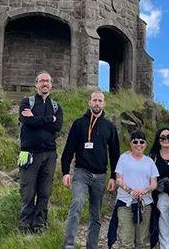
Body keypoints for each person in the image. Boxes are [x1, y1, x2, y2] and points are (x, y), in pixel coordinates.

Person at [60, 90, 120, 249]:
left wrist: (114, 176)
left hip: (100, 176)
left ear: (104, 104)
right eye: (94, 100)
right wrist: (66, 172)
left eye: (100, 101)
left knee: (96, 215)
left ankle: (91, 246)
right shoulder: (79, 123)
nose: (97, 103)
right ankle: (69, 244)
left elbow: (115, 154)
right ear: (89, 102)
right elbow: (68, 150)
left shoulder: (110, 127)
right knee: (77, 203)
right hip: (81, 173)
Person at [17, 71, 63, 233]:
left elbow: (58, 127)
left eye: (48, 81)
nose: (45, 84)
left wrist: (37, 119)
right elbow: (27, 121)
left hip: (49, 155)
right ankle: (24, 225)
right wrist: (49, 119)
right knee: (27, 191)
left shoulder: (56, 106)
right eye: (42, 81)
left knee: (45, 191)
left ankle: (39, 224)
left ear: (51, 85)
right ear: (36, 84)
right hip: (28, 154)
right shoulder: (26, 102)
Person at [114, 131, 159, 248]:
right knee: (126, 240)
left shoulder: (149, 161)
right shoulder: (123, 158)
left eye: (141, 142)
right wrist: (130, 191)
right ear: (131, 143)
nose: (138, 144)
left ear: (146, 144)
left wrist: (145, 191)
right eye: (135, 141)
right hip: (125, 202)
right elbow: (118, 179)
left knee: (142, 241)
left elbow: (154, 183)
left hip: (145, 203)